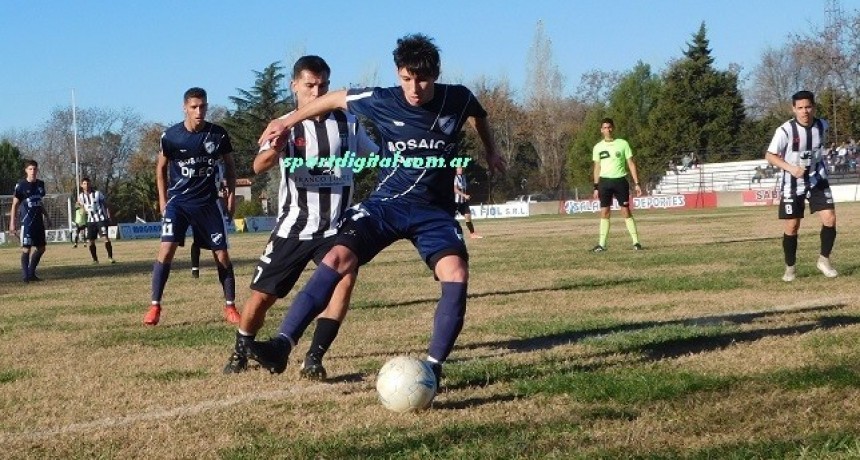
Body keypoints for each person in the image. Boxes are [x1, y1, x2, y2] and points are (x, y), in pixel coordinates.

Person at [250, 34, 506, 385]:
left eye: (423, 79)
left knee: (457, 274)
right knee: (336, 259)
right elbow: (335, 98)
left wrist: (491, 150)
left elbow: (478, 114)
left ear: (436, 74)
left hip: (434, 212)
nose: (414, 88)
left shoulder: (457, 98)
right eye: (406, 78)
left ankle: (432, 368)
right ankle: (282, 344)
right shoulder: (382, 99)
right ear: (398, 73)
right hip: (386, 205)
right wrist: (288, 122)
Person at [222, 55, 377, 377]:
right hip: (294, 226)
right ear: (295, 86)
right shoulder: (284, 124)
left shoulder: (349, 122)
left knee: (342, 283)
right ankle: (242, 347)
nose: (317, 92)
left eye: (322, 85)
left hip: (336, 227)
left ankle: (314, 357)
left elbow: (372, 155)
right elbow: (258, 166)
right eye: (309, 86)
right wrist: (275, 148)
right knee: (262, 298)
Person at [144, 87, 239, 326]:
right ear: (185, 107)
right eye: (194, 107)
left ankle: (230, 306)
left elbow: (229, 165)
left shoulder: (218, 134)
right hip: (179, 203)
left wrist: (231, 196)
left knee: (223, 255)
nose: (199, 111)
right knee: (166, 250)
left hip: (208, 203)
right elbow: (161, 169)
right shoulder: (171, 136)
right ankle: (155, 306)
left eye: (203, 106)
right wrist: (163, 200)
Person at [765, 90, 837, 282]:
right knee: (792, 225)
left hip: (816, 179)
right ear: (793, 109)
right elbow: (770, 156)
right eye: (800, 108)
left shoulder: (822, 125)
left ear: (813, 107)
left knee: (829, 218)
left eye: (808, 107)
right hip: (792, 182)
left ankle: (824, 260)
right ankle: (790, 267)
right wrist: (790, 167)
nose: (805, 111)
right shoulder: (785, 131)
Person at [591, 118, 642, 252]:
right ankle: (602, 244)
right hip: (604, 182)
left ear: (613, 128)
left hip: (620, 181)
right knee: (605, 212)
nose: (607, 130)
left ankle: (636, 242)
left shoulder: (623, 144)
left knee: (625, 211)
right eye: (605, 128)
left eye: (609, 127)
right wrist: (596, 186)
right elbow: (597, 167)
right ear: (601, 130)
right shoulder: (598, 147)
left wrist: (637, 183)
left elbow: (631, 163)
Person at [10, 160, 50, 282]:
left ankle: (31, 273)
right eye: (30, 169)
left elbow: (39, 203)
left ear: (37, 170)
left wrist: (47, 217)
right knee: (26, 248)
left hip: (38, 222)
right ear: (26, 170)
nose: (33, 171)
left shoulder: (40, 185)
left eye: (35, 169)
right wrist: (12, 222)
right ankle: (26, 276)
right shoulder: (21, 185)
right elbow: (15, 204)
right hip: (27, 223)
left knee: (42, 248)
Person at [77, 177, 115, 264]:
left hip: (100, 219)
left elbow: (106, 205)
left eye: (88, 183)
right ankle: (95, 259)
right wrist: (83, 210)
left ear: (90, 184)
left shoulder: (97, 193)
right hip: (90, 221)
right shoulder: (81, 196)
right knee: (91, 241)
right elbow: (81, 206)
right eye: (84, 184)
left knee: (105, 237)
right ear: (81, 185)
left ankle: (110, 257)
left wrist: (109, 216)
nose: (87, 185)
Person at [453, 166, 482, 238]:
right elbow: (455, 189)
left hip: (464, 202)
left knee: (468, 216)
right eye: (459, 168)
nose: (461, 169)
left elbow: (465, 187)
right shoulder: (455, 178)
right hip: (456, 202)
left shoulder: (464, 177)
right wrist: (464, 195)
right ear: (456, 169)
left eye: (462, 168)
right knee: (451, 218)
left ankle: (472, 234)